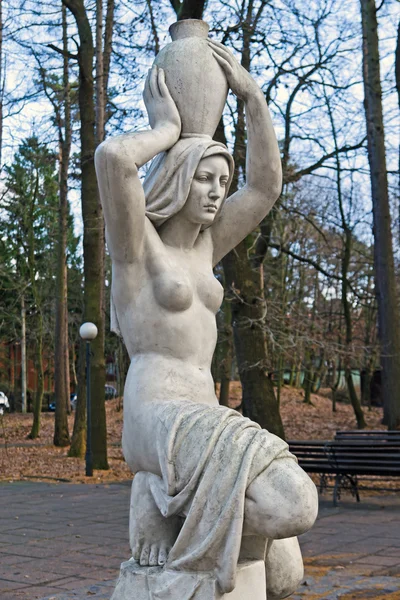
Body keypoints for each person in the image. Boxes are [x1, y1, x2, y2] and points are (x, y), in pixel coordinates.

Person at [95, 39, 318, 599]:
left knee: (285, 572)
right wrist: (169, 129)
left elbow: (265, 187)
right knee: (294, 503)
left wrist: (251, 95)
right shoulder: (137, 249)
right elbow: (115, 160)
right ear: (176, 177)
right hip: (156, 412)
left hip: (204, 412)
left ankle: (161, 497)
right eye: (205, 178)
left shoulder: (207, 249)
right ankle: (158, 491)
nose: (218, 192)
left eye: (222, 180)